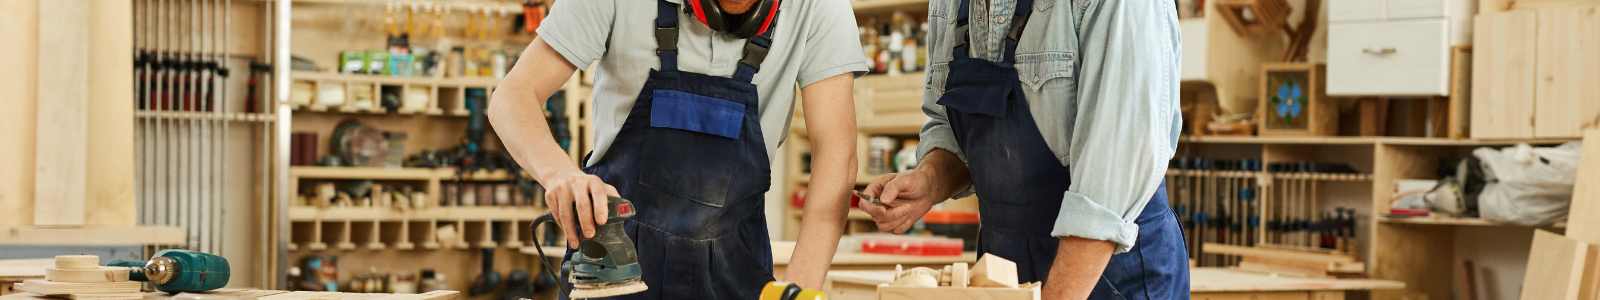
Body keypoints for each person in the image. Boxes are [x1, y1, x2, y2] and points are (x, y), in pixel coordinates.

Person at [487, 0, 867, 298]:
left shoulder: (820, 6)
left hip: (737, 269)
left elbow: (837, 152)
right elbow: (512, 95)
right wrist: (560, 173)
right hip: (615, 265)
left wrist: (797, 290)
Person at [859, 0, 1188, 299]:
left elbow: (1114, 173)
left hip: (1110, 272)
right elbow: (948, 123)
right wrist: (930, 179)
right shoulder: (946, 5)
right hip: (1002, 268)